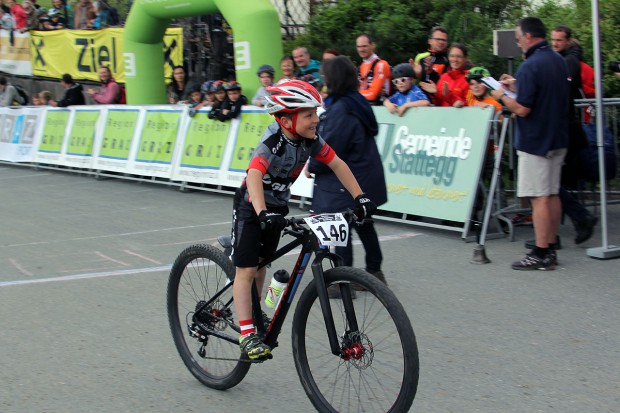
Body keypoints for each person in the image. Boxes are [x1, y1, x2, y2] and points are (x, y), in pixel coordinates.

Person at [230, 79, 376, 360]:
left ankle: (254, 309)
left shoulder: (311, 139)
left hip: (276, 208)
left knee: (262, 265)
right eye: (308, 115)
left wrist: (361, 198)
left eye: (316, 113)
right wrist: (262, 213)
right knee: (247, 269)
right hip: (253, 206)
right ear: (285, 120)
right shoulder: (272, 140)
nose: (316, 119)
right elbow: (254, 176)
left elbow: (337, 164)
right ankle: (247, 334)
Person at [490, 17, 569, 270]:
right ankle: (550, 243)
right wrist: (516, 85)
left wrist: (501, 94)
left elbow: (523, 108)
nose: (517, 41)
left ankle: (541, 251)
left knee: (539, 197)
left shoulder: (530, 64)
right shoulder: (557, 59)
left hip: (537, 139)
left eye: (517, 37)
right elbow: (543, 90)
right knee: (552, 193)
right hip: (557, 136)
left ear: (528, 37)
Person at [308, 55, 388, 293]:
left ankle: (343, 280)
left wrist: (312, 166)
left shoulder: (340, 108)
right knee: (364, 224)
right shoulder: (356, 102)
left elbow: (330, 149)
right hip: (366, 174)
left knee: (340, 228)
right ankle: (374, 271)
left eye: (325, 76)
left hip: (347, 180)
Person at [420, 43, 471, 107]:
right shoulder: (444, 77)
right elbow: (438, 105)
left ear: (465, 58)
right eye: (452, 56)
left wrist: (449, 96)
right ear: (448, 57)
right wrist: (435, 93)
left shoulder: (470, 78)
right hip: (443, 116)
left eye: (459, 56)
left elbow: (470, 104)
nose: (455, 60)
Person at [356, 34, 391, 105]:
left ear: (372, 45)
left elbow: (372, 95)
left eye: (364, 46)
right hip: (366, 107)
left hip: (381, 108)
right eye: (359, 47)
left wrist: (355, 94)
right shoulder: (361, 66)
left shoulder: (381, 64)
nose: (361, 49)